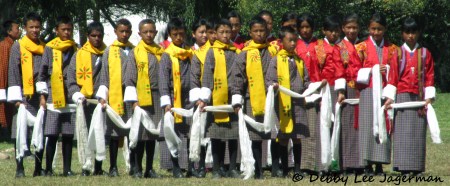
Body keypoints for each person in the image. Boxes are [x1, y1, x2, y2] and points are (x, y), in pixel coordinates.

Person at [232, 16, 278, 179]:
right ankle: (258, 170)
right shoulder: (244, 53)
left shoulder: (273, 51)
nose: (259, 34)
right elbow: (237, 76)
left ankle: (275, 168)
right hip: (251, 98)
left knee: (274, 134)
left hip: (272, 98)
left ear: (267, 31)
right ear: (250, 33)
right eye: (256, 31)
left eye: (262, 31)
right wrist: (237, 99)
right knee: (255, 136)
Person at [195, 19, 240, 179]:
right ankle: (216, 167)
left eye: (228, 32)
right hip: (215, 99)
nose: (225, 35)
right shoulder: (211, 52)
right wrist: (204, 98)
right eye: (222, 32)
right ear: (215, 33)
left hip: (232, 98)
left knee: (234, 134)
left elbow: (239, 75)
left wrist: (237, 97)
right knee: (216, 134)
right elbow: (207, 76)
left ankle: (233, 167)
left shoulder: (236, 52)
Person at [355, 12, 398, 176]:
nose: (376, 32)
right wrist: (372, 71)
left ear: (384, 29)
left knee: (383, 125)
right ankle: (367, 163)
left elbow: (395, 70)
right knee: (367, 126)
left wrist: (386, 70)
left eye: (379, 29)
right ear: (368, 29)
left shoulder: (392, 49)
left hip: (384, 92)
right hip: (367, 91)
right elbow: (354, 70)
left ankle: (380, 164)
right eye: (373, 29)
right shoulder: (361, 47)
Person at [391, 17, 434, 176]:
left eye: (413, 32)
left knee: (417, 132)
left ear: (418, 33)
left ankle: (416, 166)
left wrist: (429, 96)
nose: (411, 36)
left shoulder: (424, 53)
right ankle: (402, 166)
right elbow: (393, 76)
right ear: (402, 34)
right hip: (402, 96)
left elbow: (429, 75)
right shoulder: (397, 53)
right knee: (402, 132)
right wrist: (390, 97)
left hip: (419, 96)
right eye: (407, 32)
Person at [266, 26, 311, 177]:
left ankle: (297, 169)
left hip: (298, 103)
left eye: (295, 41)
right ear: (281, 41)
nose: (293, 44)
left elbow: (306, 79)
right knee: (283, 137)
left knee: (297, 137)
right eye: (289, 40)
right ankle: (285, 169)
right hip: (282, 103)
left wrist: (308, 89)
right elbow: (269, 80)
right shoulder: (276, 60)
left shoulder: (299, 60)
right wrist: (274, 86)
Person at [37, 16, 78, 177]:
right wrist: (42, 96)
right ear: (57, 30)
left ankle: (67, 168)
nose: (67, 32)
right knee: (52, 133)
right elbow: (42, 74)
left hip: (69, 95)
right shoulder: (49, 48)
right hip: (53, 95)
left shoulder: (75, 48)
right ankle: (48, 168)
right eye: (63, 29)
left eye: (69, 29)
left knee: (68, 134)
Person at [7, 12, 46, 178]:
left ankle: (38, 167)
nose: (35, 30)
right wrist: (17, 99)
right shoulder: (18, 46)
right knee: (20, 130)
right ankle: (20, 167)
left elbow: (45, 73)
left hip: (39, 95)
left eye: (38, 27)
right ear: (25, 28)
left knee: (40, 131)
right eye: (32, 27)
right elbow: (14, 72)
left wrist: (44, 94)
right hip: (23, 94)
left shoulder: (44, 47)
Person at [125, 18, 164, 178]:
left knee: (152, 136)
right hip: (140, 99)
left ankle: (149, 168)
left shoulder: (160, 51)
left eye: (152, 31)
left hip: (157, 97)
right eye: (145, 32)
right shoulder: (135, 52)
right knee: (140, 135)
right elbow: (129, 79)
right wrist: (134, 101)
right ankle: (138, 168)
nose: (149, 34)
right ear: (140, 33)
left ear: (155, 32)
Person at [67, 21, 107, 176]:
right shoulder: (79, 54)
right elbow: (70, 78)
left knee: (99, 134)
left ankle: (98, 167)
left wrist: (103, 95)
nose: (97, 39)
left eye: (99, 36)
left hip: (100, 101)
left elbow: (109, 77)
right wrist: (77, 94)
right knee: (84, 135)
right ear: (87, 36)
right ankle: (85, 166)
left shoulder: (107, 53)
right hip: (84, 101)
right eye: (93, 36)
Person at [97, 18, 134, 177]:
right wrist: (103, 96)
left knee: (133, 132)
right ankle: (113, 166)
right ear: (116, 32)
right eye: (121, 31)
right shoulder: (109, 50)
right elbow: (104, 76)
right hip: (115, 97)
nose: (124, 34)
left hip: (132, 98)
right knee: (114, 133)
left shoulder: (135, 50)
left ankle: (134, 166)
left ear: (131, 32)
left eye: (127, 31)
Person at [159, 17, 194, 178]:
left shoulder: (190, 52)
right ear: (170, 36)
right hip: (174, 98)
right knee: (174, 132)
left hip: (190, 98)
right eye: (175, 35)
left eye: (181, 34)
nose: (179, 37)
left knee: (191, 132)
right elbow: (163, 80)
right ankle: (175, 167)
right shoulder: (167, 55)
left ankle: (191, 166)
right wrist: (166, 101)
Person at [335, 13, 364, 175]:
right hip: (347, 88)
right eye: (348, 27)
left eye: (354, 27)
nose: (352, 31)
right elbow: (339, 69)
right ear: (343, 29)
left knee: (361, 126)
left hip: (364, 90)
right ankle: (346, 164)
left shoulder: (363, 46)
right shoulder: (340, 47)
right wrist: (340, 91)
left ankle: (361, 163)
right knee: (347, 126)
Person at [189, 18, 212, 178]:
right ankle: (193, 165)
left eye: (207, 32)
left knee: (207, 132)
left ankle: (205, 165)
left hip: (210, 98)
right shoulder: (190, 52)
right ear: (193, 34)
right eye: (201, 32)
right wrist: (197, 98)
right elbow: (193, 78)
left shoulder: (213, 50)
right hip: (195, 99)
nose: (204, 35)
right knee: (195, 132)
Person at [0, 19, 20, 145]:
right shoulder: (4, 46)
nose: (19, 31)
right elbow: (3, 67)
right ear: (9, 31)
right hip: (4, 84)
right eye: (17, 29)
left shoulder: (13, 45)